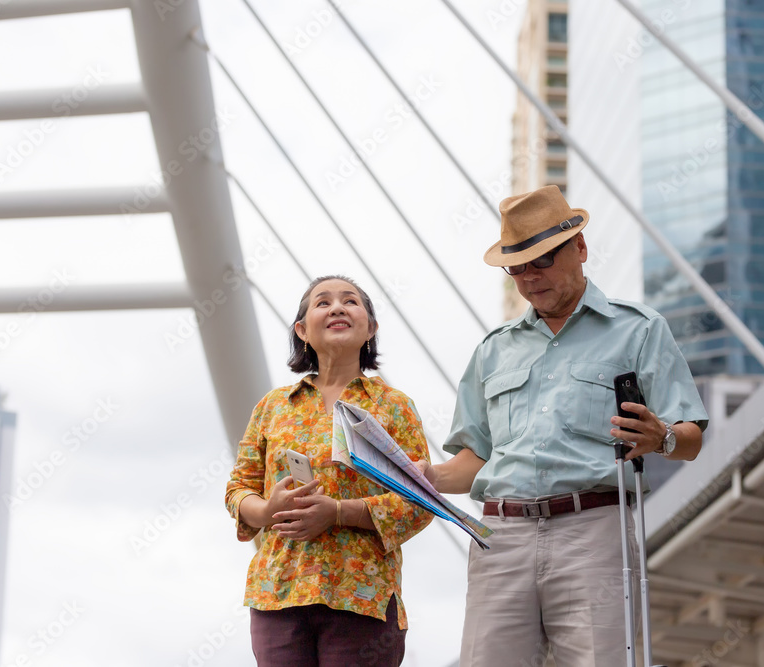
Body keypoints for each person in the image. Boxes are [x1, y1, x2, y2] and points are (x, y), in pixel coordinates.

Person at [418, 185, 709, 666]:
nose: (530, 278)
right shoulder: (493, 350)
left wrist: (664, 438)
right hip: (500, 537)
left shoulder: (639, 329)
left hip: (593, 533)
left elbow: (692, 441)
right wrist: (424, 477)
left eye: (543, 260)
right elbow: (474, 461)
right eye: (517, 267)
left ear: (579, 248)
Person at [225, 275, 433, 667]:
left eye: (350, 301)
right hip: (278, 594)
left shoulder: (394, 406)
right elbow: (238, 490)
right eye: (322, 302)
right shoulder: (273, 406)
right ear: (302, 330)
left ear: (370, 328)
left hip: (362, 597)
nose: (337, 307)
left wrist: (337, 513)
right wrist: (268, 511)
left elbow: (420, 502)